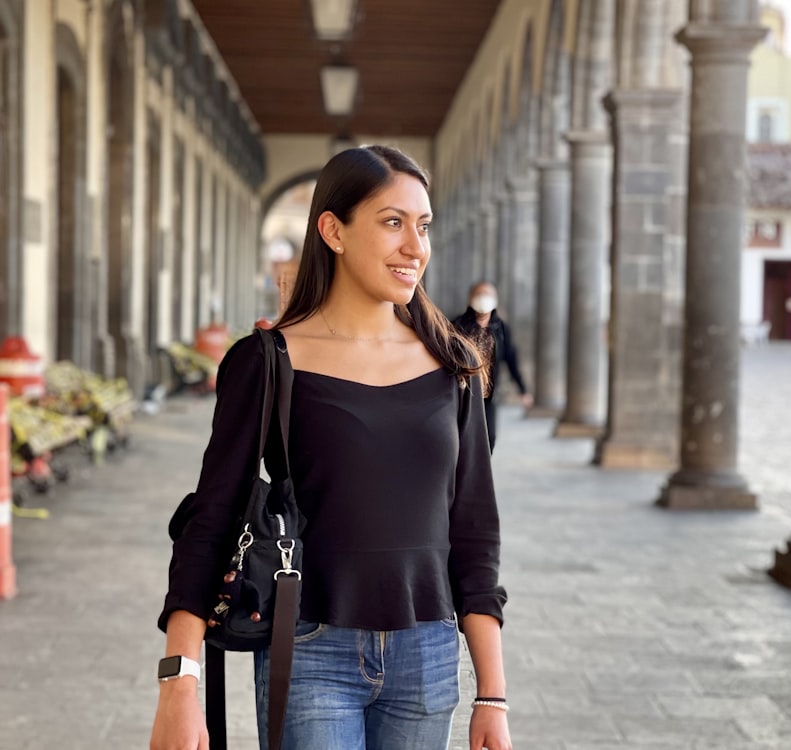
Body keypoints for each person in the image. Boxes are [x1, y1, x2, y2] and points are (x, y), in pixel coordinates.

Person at [150, 145, 512, 750]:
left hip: (427, 654)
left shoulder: (454, 366)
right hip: (312, 649)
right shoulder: (268, 361)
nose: (415, 247)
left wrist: (492, 695)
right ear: (333, 230)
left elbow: (475, 532)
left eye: (422, 226)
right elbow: (211, 520)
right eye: (392, 222)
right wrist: (178, 682)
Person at [452, 281, 532, 452]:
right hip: (461, 393)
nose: (484, 298)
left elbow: (511, 359)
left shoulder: (501, 329)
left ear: (495, 299)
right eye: (480, 294)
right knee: (460, 438)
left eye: (488, 294)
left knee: (489, 438)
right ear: (471, 298)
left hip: (488, 395)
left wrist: (523, 389)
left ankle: (479, 475)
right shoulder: (457, 326)